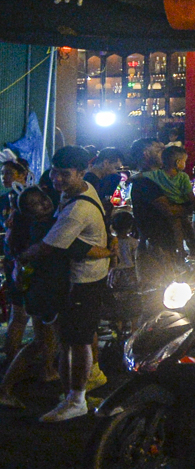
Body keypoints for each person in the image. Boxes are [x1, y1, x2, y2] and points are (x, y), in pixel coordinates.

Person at [22, 148, 112, 422]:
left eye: (64, 174)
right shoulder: (78, 192)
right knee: (70, 340)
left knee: (79, 342)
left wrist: (18, 259)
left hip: (83, 281)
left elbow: (47, 247)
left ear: (81, 173)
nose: (57, 179)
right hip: (76, 279)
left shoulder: (78, 209)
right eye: (54, 172)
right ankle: (73, 394)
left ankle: (76, 400)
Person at [0, 183, 62, 410]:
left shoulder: (40, 225)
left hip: (39, 291)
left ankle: (47, 371)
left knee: (44, 338)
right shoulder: (42, 228)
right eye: (34, 204)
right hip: (41, 291)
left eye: (43, 199)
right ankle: (5, 388)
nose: (43, 204)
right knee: (40, 340)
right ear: (27, 212)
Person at [129, 140, 194, 260]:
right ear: (146, 154)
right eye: (159, 149)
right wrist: (192, 207)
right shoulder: (145, 182)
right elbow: (170, 210)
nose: (165, 153)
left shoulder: (161, 177)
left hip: (164, 246)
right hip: (156, 249)